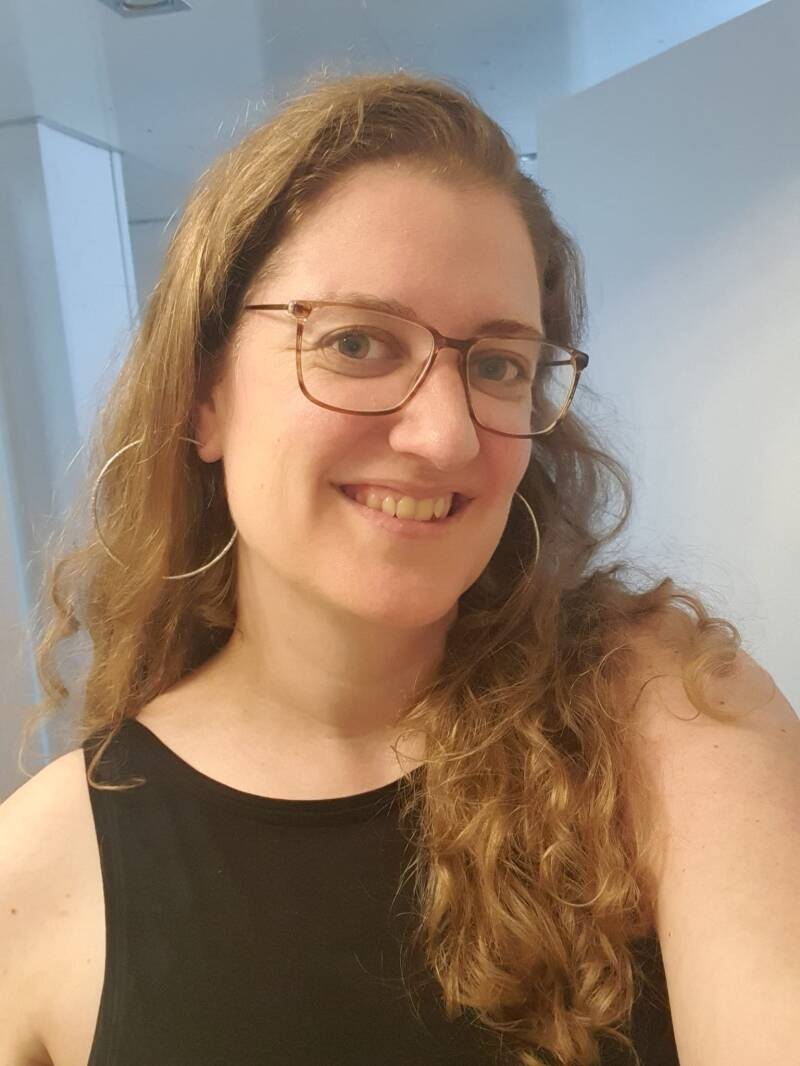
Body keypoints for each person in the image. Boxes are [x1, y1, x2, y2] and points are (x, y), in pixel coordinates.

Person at [2, 70, 798, 1066]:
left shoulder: (666, 710)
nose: (444, 435)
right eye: (357, 342)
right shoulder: (39, 876)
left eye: (497, 363)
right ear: (203, 395)